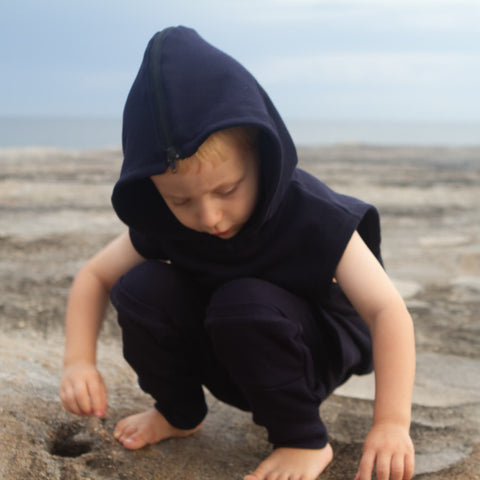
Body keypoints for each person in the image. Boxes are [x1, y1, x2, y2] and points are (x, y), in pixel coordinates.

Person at [60, 26, 415, 480]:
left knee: (244, 303)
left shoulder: (312, 215)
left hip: (304, 353)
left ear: (262, 157)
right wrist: (78, 362)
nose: (209, 216)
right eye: (181, 201)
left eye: (227, 189)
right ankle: (178, 413)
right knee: (140, 288)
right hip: (230, 349)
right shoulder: (169, 223)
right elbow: (95, 276)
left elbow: (388, 311)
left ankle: (303, 440)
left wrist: (390, 424)